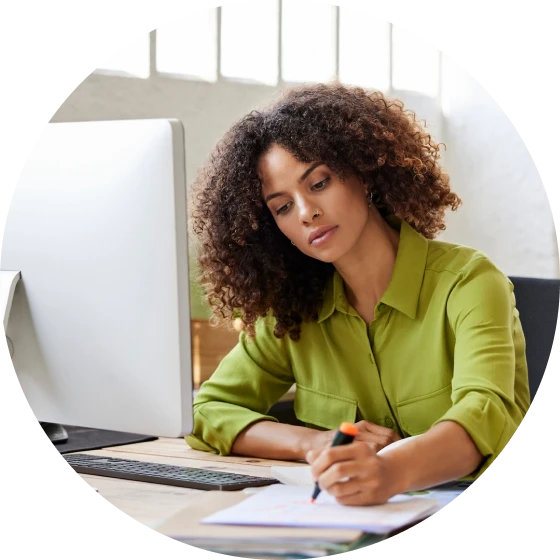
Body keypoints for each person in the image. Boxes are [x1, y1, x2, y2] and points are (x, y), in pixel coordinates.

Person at [185, 82, 531, 506]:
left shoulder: (469, 282)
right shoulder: (293, 310)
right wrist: (313, 443)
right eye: (282, 207)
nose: (307, 213)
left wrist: (389, 472)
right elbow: (210, 410)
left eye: (319, 182)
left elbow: (485, 415)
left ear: (362, 172)